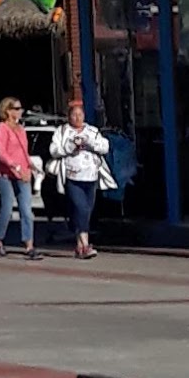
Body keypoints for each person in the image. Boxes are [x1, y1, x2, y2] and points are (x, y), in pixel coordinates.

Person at [55, 91, 112, 258]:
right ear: (69, 117)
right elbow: (55, 150)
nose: (77, 118)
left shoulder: (92, 131)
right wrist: (71, 147)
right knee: (81, 208)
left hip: (91, 176)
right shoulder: (63, 132)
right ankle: (86, 245)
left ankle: (79, 246)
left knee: (87, 210)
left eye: (80, 115)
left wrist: (90, 143)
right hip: (73, 176)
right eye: (74, 115)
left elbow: (105, 147)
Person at [0, 97, 35, 257]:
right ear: (7, 111)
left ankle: (29, 245)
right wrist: (16, 167)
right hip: (6, 175)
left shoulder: (21, 129)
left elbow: (24, 151)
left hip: (22, 175)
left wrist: (30, 165)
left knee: (26, 210)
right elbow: (2, 154)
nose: (20, 111)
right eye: (16, 108)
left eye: (20, 108)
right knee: (7, 209)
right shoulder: (1, 128)